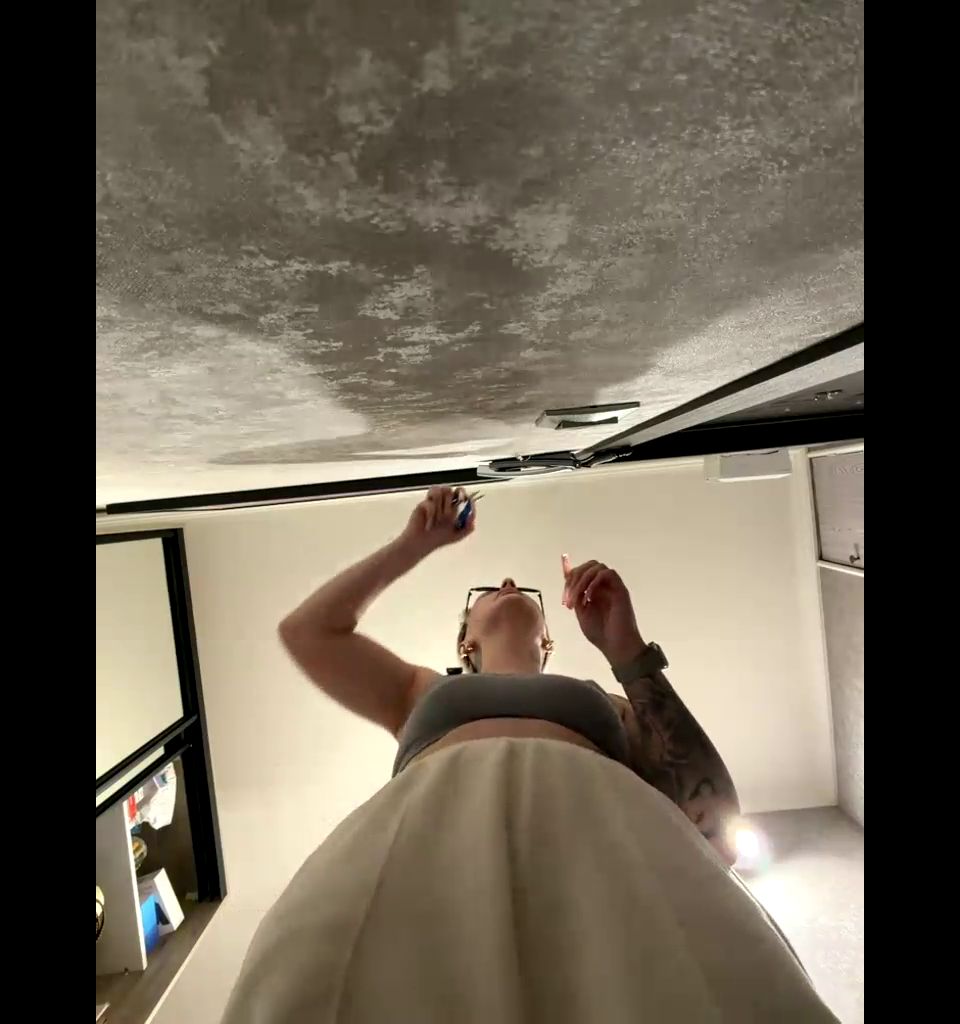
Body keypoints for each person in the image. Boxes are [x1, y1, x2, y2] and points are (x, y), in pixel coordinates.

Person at [221, 486, 838, 1024]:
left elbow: (715, 825)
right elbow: (307, 631)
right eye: (491, 591)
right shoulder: (419, 691)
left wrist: (625, 650)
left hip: (603, 839)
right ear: (465, 640)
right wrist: (415, 545)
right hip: (429, 838)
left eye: (519, 589)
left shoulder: (603, 701)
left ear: (548, 642)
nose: (511, 584)